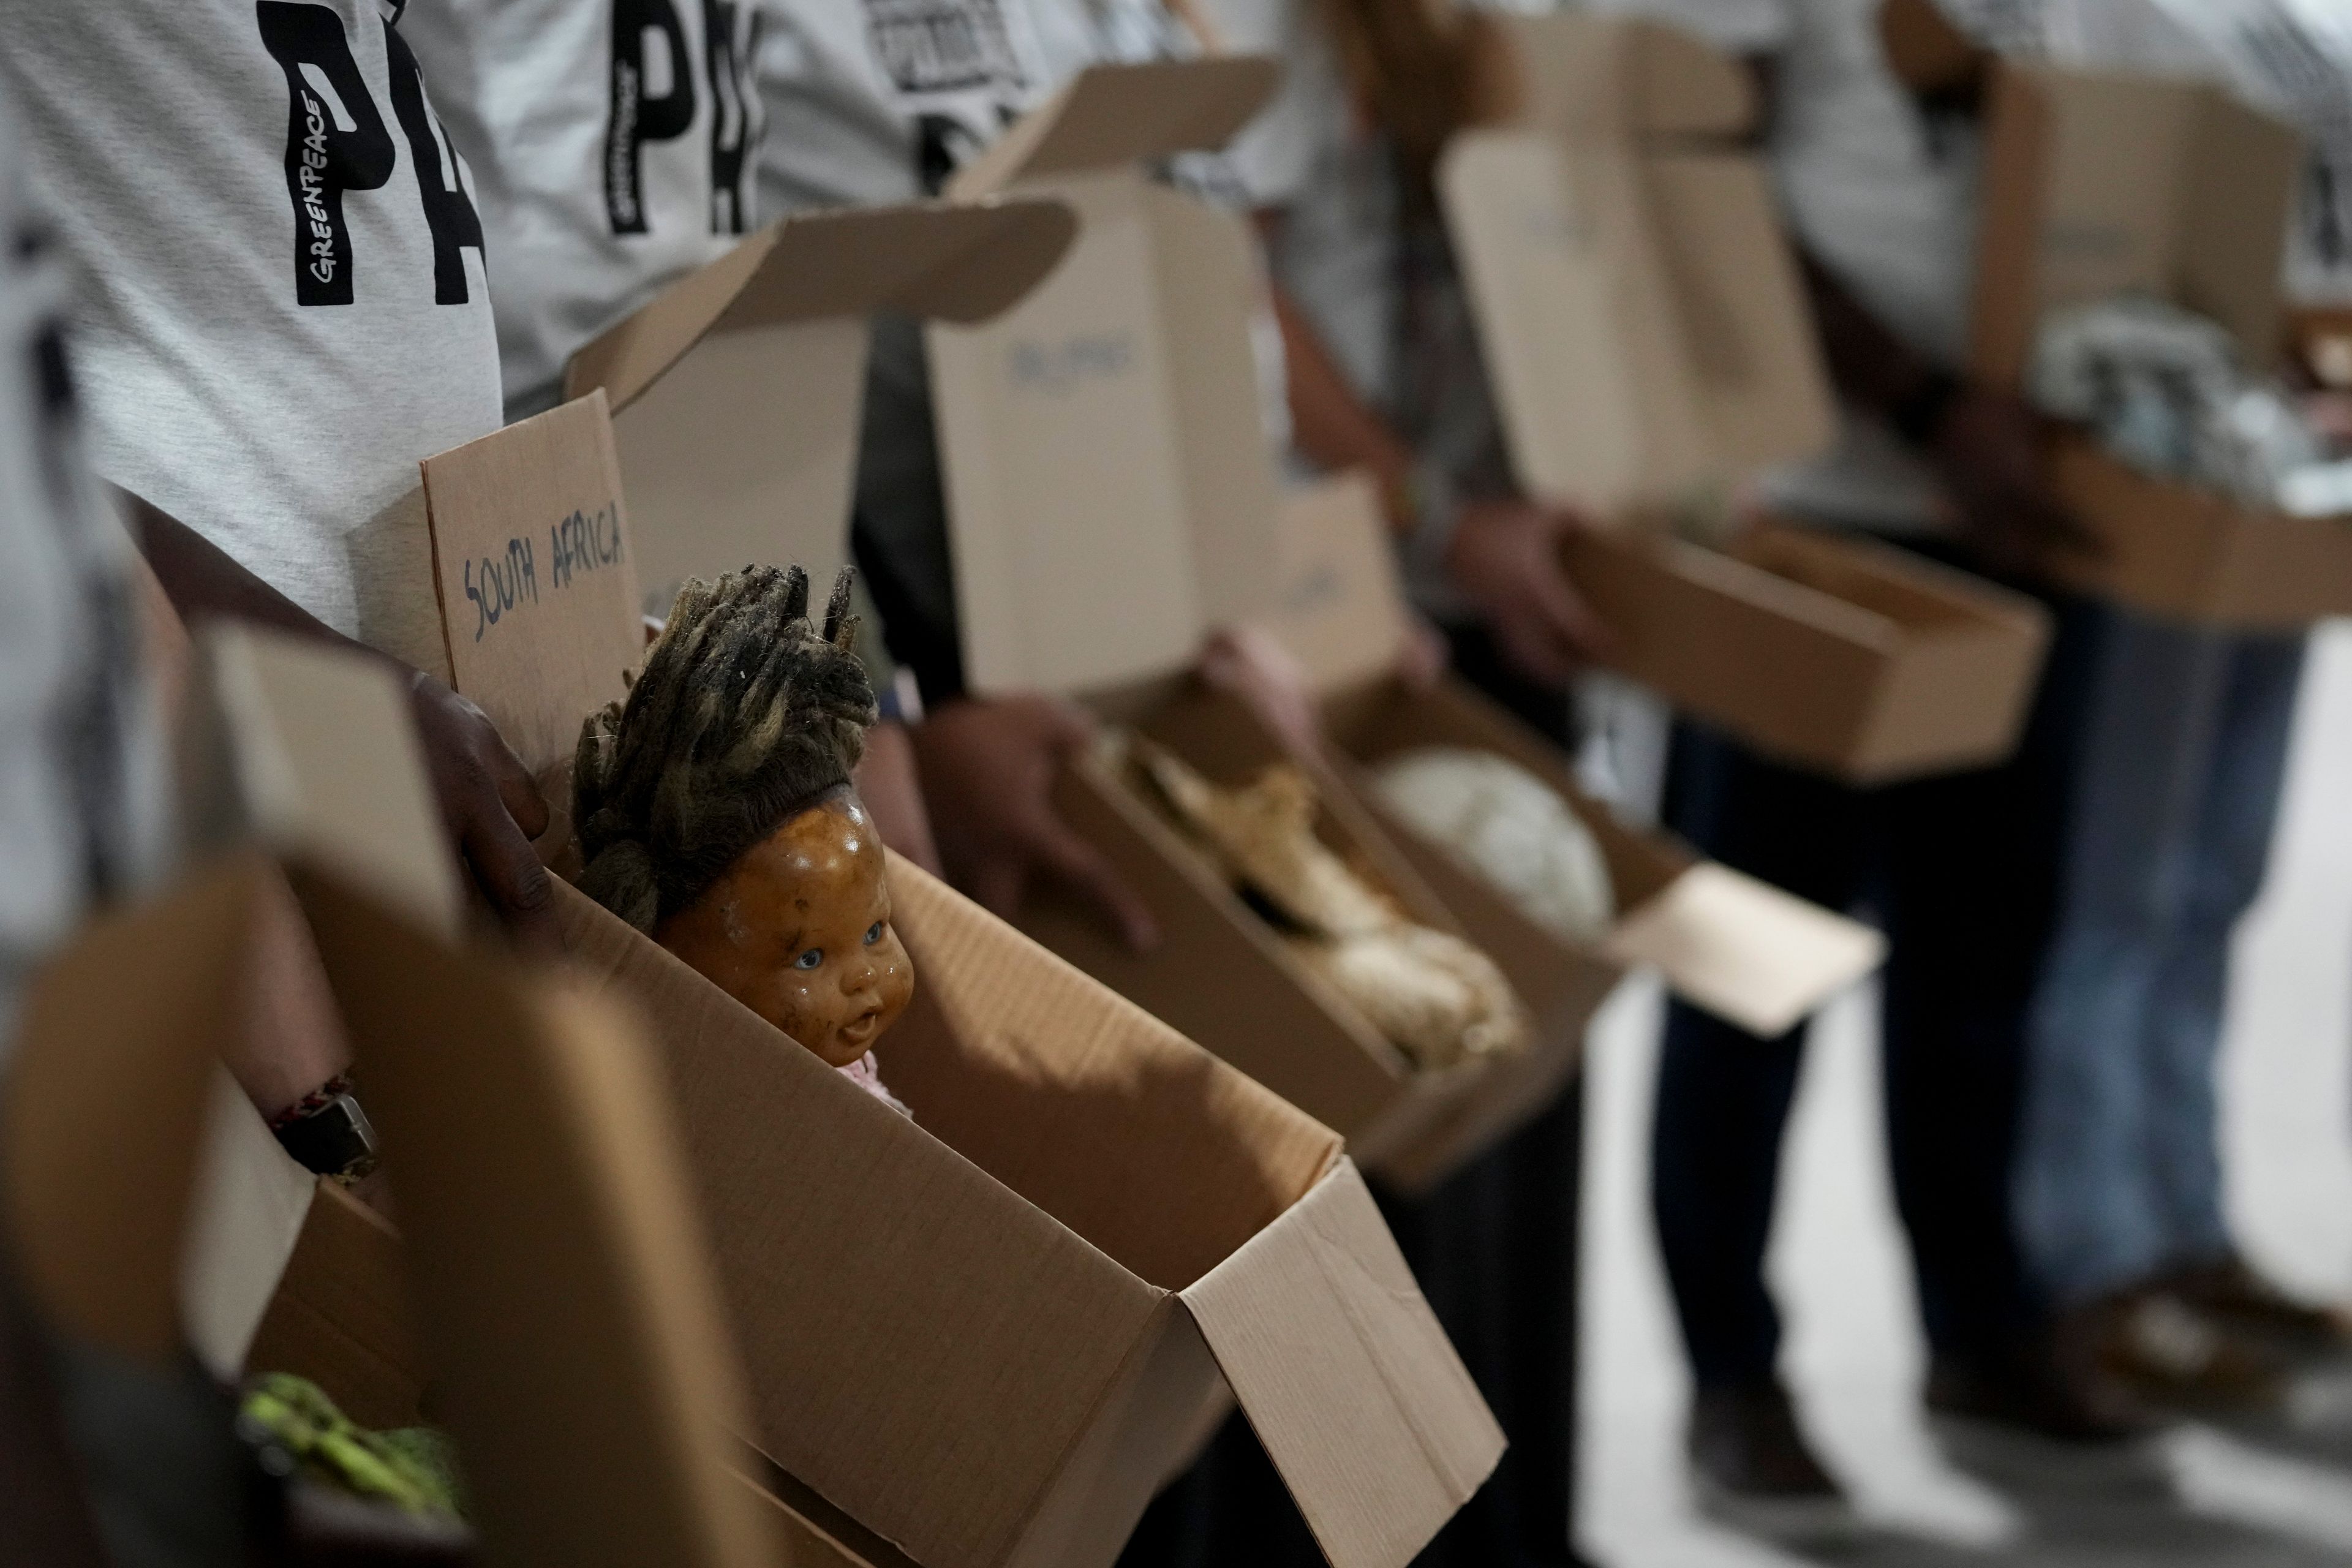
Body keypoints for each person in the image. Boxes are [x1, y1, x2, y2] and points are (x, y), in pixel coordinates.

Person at [1581, 0, 2122, 1536]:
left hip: (2022, 514)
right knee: (1754, 966)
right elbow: (1706, 176)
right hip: (1813, 515)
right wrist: (1932, 405)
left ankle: (1982, 1324)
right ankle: (1731, 1374)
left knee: (1985, 956)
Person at [1128, 0, 1614, 1562]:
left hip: (1388, 579)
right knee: (1341, 1121)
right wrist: (1422, 509)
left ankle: (1499, 1515)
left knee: (1481, 1080)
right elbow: (1248, 294)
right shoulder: (1244, 35)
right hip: (1307, 587)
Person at [1959, 0, 2352, 1412]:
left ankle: (2186, 1222)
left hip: (2295, 454)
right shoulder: (2118, 11)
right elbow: (2088, 201)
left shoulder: (2281, 18)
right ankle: (2097, 1256)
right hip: (2161, 453)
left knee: (2218, 874)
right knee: (2122, 887)